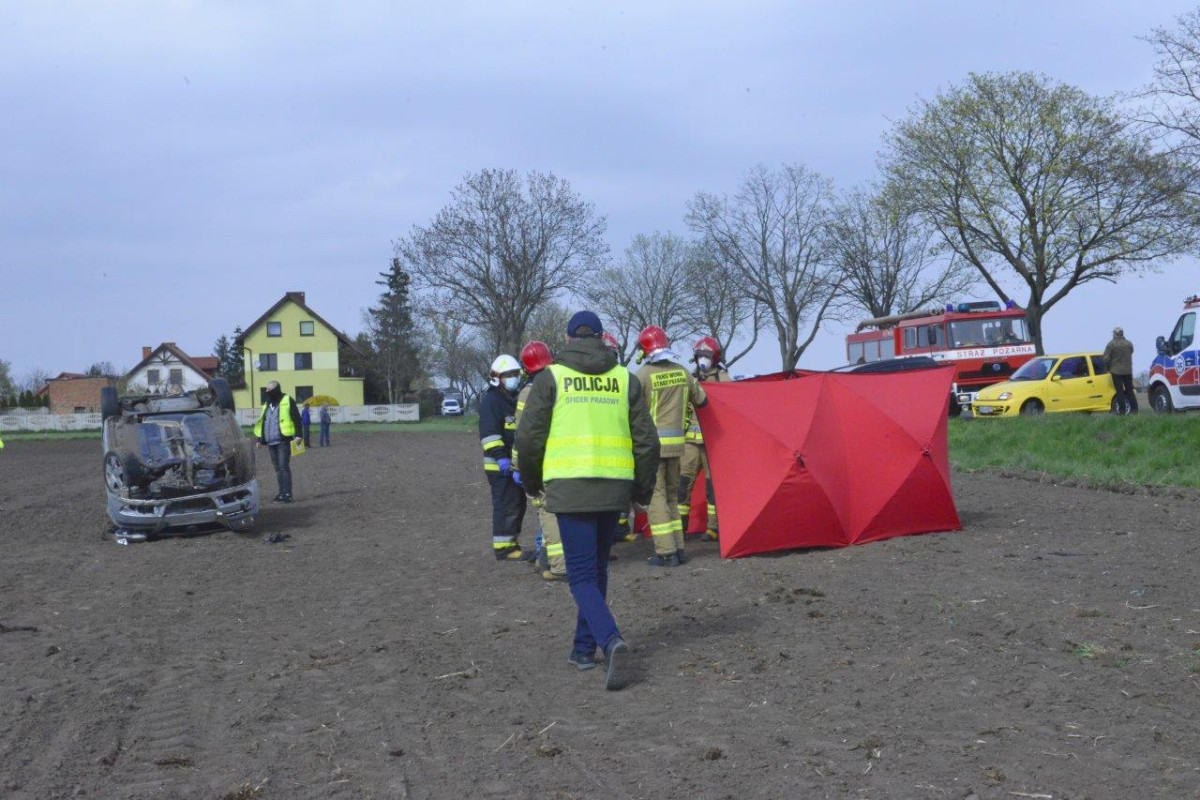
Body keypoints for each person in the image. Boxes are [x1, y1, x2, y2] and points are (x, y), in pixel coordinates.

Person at [516, 310, 659, 690]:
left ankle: (611, 641)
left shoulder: (551, 378)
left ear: (567, 339)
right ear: (601, 337)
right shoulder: (624, 379)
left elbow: (528, 439)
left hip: (569, 489)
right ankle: (583, 649)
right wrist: (641, 492)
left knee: (579, 575)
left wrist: (532, 484)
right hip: (614, 490)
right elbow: (647, 441)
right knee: (596, 571)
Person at [635, 325, 707, 567]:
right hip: (677, 447)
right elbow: (702, 400)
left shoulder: (642, 375)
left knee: (656, 498)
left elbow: (631, 409)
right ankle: (678, 548)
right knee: (673, 497)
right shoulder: (683, 372)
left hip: (652, 448)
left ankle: (665, 553)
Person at [512, 340, 566, 581]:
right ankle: (545, 557)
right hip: (564, 457)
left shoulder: (527, 392)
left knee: (547, 512)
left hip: (540, 461)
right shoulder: (561, 383)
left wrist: (516, 464)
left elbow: (522, 433)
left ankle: (559, 565)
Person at [480, 353, 533, 561]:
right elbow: (490, 435)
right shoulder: (491, 401)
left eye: (515, 374)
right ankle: (504, 548)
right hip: (499, 466)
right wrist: (502, 458)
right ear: (497, 377)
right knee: (506, 504)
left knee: (517, 504)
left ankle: (511, 542)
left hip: (513, 466)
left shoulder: (513, 399)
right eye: (508, 375)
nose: (513, 378)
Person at [679, 336, 732, 542]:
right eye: (700, 354)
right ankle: (679, 527)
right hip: (690, 442)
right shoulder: (689, 378)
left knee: (712, 487)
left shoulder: (723, 379)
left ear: (715, 357)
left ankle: (714, 528)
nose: (703, 358)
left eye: (707, 355)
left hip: (712, 443)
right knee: (683, 485)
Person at [253, 381, 303, 503]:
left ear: (276, 389)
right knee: (277, 469)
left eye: (269, 390)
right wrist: (260, 439)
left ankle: (287, 494)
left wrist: (298, 435)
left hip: (283, 441)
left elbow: (297, 418)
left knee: (283, 468)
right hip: (271, 443)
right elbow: (264, 422)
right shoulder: (267, 404)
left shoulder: (287, 400)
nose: (267, 392)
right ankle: (281, 493)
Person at [1104, 326, 1138, 414]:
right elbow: (1131, 351)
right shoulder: (1129, 343)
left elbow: (1106, 358)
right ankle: (1135, 411)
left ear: (1115, 334)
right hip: (1128, 371)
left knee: (1120, 392)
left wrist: (1107, 368)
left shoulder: (1111, 344)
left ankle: (1122, 412)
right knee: (1130, 391)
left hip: (1116, 371)